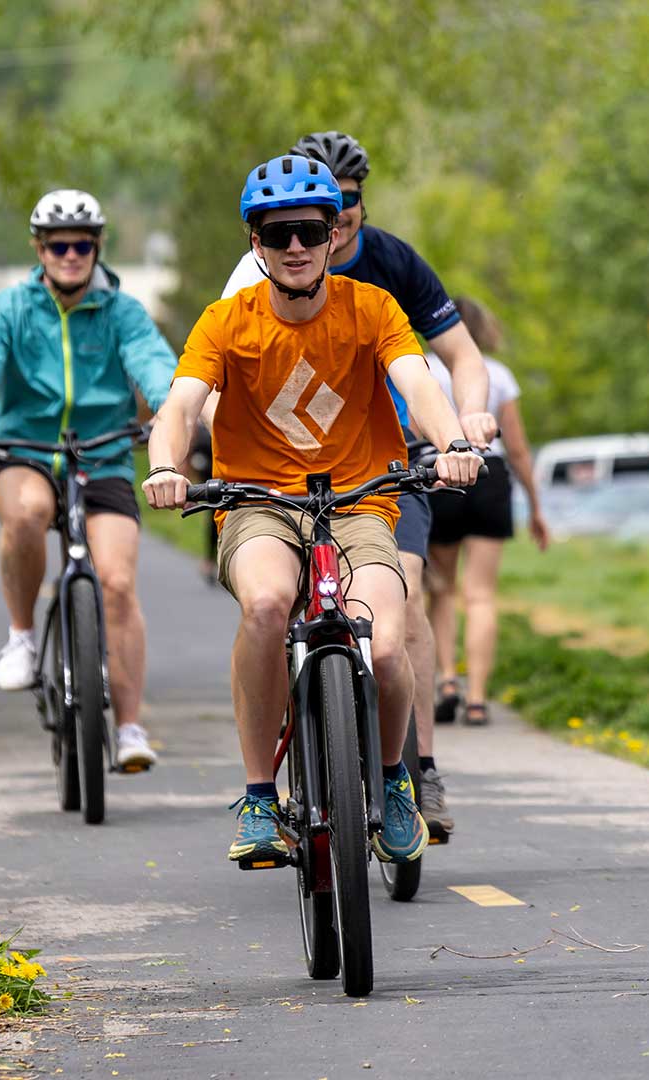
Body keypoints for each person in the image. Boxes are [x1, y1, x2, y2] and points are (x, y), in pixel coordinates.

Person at [144, 153, 482, 866]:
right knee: (267, 605)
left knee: (385, 639)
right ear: (255, 244)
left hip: (361, 500)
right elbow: (178, 407)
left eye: (308, 230)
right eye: (277, 234)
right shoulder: (226, 322)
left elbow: (418, 383)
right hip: (260, 503)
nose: (294, 246)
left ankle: (394, 780)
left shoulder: (373, 309)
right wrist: (167, 467)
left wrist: (452, 442)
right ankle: (260, 797)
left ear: (334, 234)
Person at [0, 189, 177, 772]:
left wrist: (172, 409)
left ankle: (130, 728)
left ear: (97, 247)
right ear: (39, 249)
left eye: (81, 245)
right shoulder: (8, 309)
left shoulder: (122, 312)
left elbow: (154, 364)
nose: (70, 255)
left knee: (118, 583)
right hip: (24, 451)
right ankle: (22, 636)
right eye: (58, 246)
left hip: (103, 455)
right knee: (25, 513)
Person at [426, 299, 549, 731]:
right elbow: (516, 447)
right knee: (480, 595)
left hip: (439, 473)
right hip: (489, 475)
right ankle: (477, 698)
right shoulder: (497, 374)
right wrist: (535, 507)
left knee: (440, 590)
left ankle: (447, 681)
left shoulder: (422, 369)